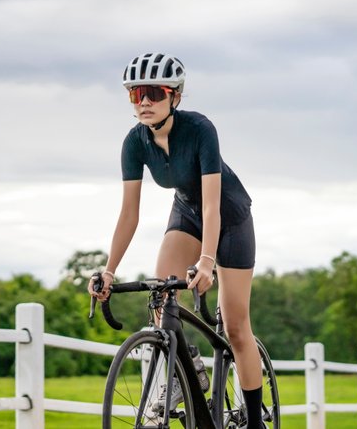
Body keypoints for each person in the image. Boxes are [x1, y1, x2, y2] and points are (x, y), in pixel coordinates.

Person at [89, 53, 265, 428]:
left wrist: (206, 262)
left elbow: (214, 205)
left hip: (229, 218)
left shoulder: (200, 129)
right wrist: (108, 270)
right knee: (161, 293)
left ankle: (254, 421)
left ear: (176, 97)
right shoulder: (135, 142)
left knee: (235, 327)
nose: (145, 102)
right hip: (186, 212)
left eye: (154, 92)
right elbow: (129, 214)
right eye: (137, 94)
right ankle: (185, 372)